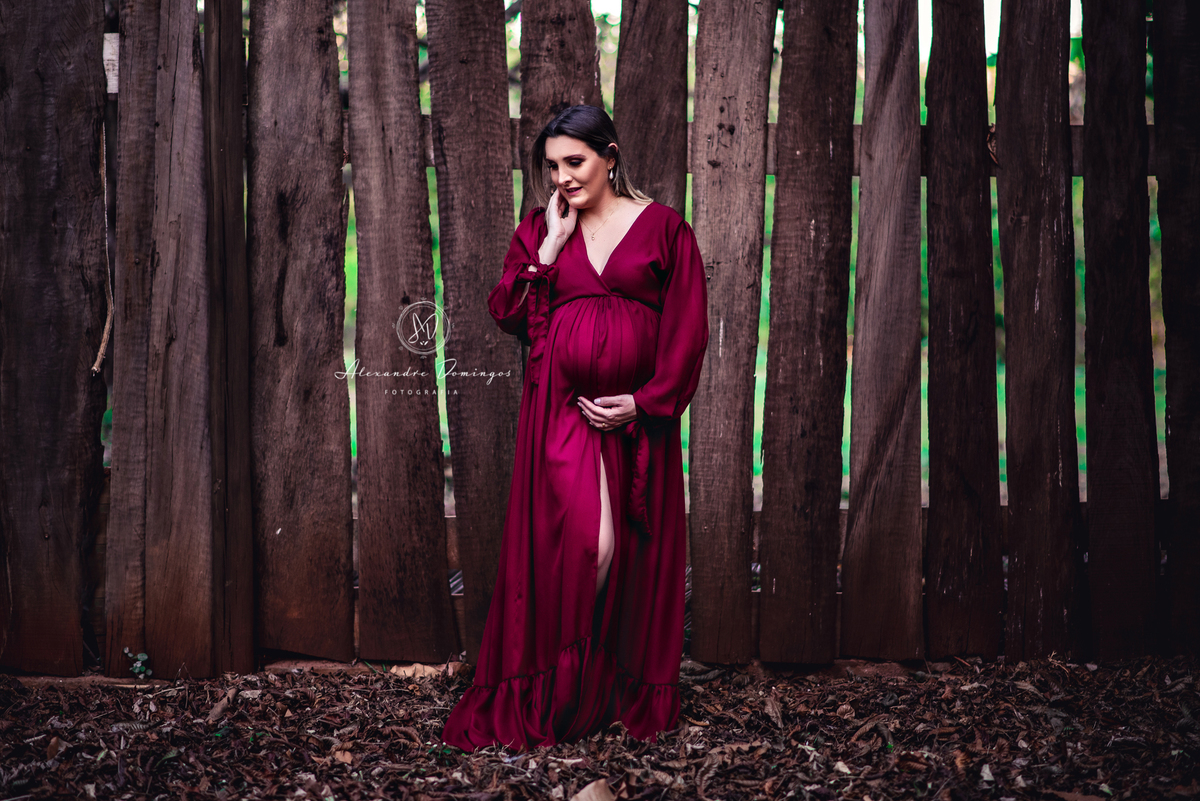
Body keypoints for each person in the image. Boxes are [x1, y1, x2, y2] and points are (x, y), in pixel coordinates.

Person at [441, 104, 709, 751]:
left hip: (634, 420)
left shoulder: (665, 229)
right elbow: (508, 311)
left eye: (575, 161)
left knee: (630, 553)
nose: (562, 177)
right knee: (592, 547)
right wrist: (551, 249)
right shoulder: (542, 227)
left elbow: (688, 330)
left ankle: (603, 689)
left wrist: (644, 402)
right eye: (552, 165)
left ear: (610, 156)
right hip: (560, 412)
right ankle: (559, 689)